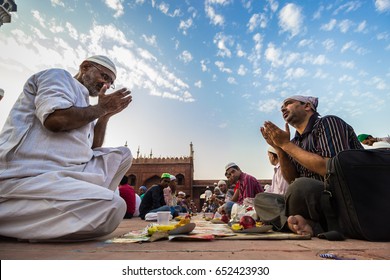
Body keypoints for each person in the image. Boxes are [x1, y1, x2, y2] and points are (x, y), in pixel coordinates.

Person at [0, 55, 133, 241]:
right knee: (113, 207)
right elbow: (56, 121)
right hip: (28, 175)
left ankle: (65, 208)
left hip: (65, 175)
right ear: (85, 67)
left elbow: (92, 147)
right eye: (104, 76)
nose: (106, 84)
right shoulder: (59, 77)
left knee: (123, 155)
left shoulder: (86, 106)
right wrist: (100, 109)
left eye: (111, 82)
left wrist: (104, 116)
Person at [255, 95, 363, 237]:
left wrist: (286, 145)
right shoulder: (294, 142)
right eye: (282, 106)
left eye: (288, 103)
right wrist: (281, 150)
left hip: (341, 199)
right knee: (262, 199)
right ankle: (294, 223)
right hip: (311, 200)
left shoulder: (328, 123)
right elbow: (291, 179)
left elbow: (332, 169)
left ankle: (312, 224)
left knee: (301, 186)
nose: (282, 108)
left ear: (307, 106)